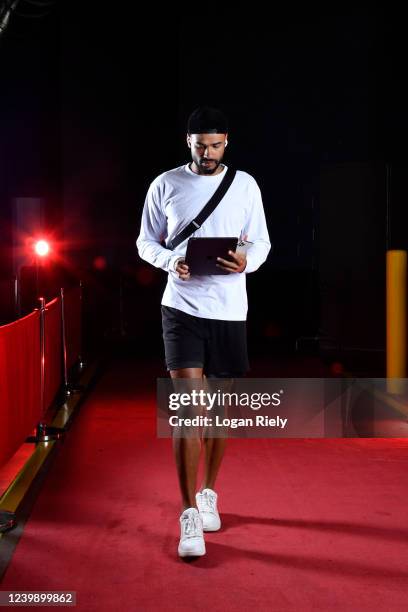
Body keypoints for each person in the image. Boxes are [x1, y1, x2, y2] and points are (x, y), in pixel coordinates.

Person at [136, 106, 270, 558]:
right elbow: (145, 242)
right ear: (187, 142)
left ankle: (209, 491)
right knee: (188, 414)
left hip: (231, 309)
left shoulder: (246, 184)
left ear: (226, 141)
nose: (207, 153)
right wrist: (170, 261)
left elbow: (261, 240)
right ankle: (187, 512)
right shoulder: (166, 184)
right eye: (200, 146)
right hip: (181, 307)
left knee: (219, 413)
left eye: (215, 145)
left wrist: (248, 260)